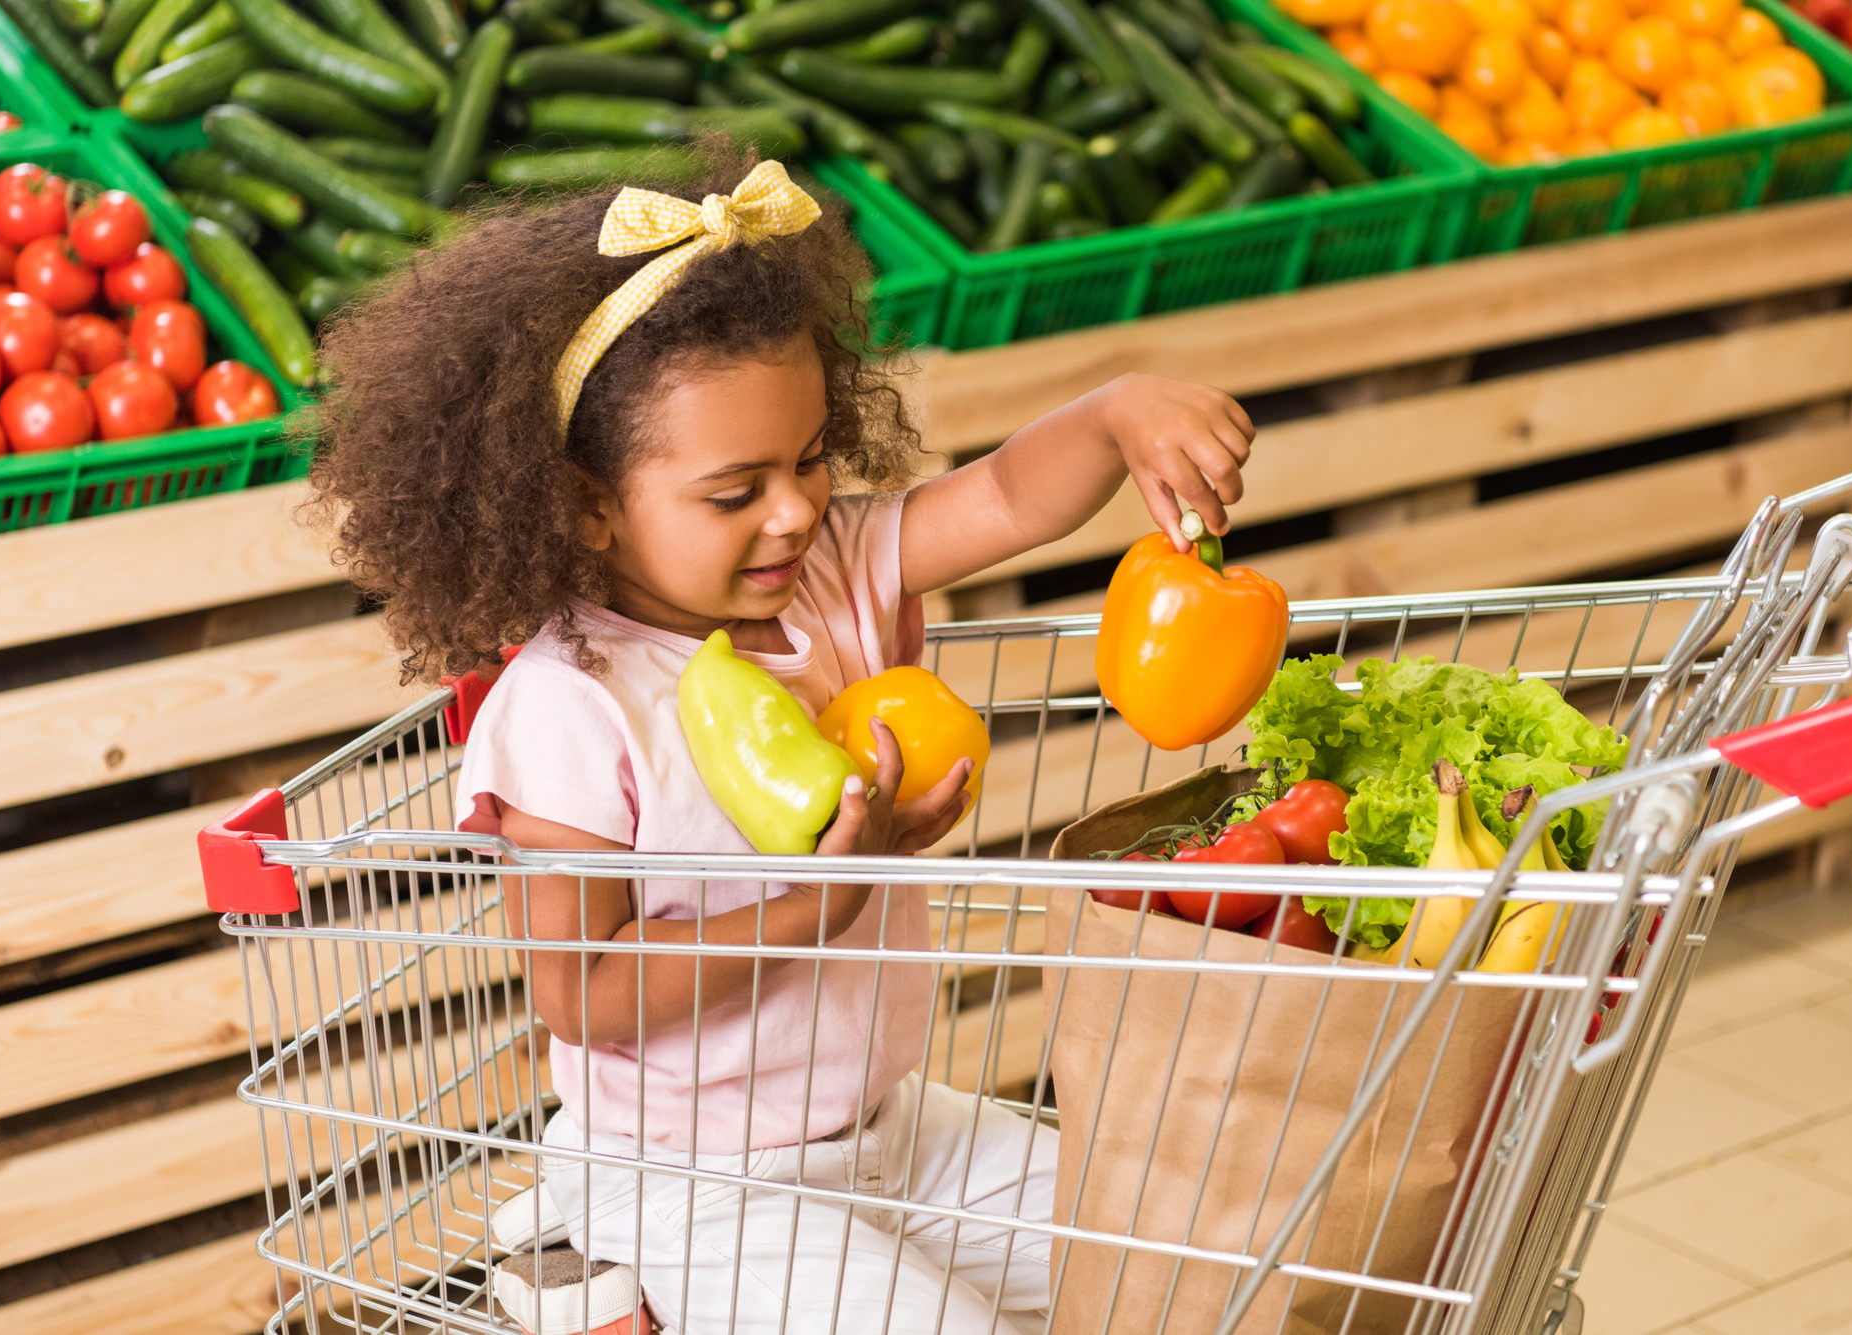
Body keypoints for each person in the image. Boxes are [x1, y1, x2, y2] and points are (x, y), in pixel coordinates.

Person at [305, 151, 1256, 1335]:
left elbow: (1009, 496)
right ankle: (599, 1266)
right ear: (586, 504)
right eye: (732, 491)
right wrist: (823, 899)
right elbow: (578, 993)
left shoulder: (829, 579)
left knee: (1185, 1260)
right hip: (693, 1190)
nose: (796, 509)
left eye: (808, 458)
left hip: (892, 1136)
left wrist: (1117, 411)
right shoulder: (574, 702)